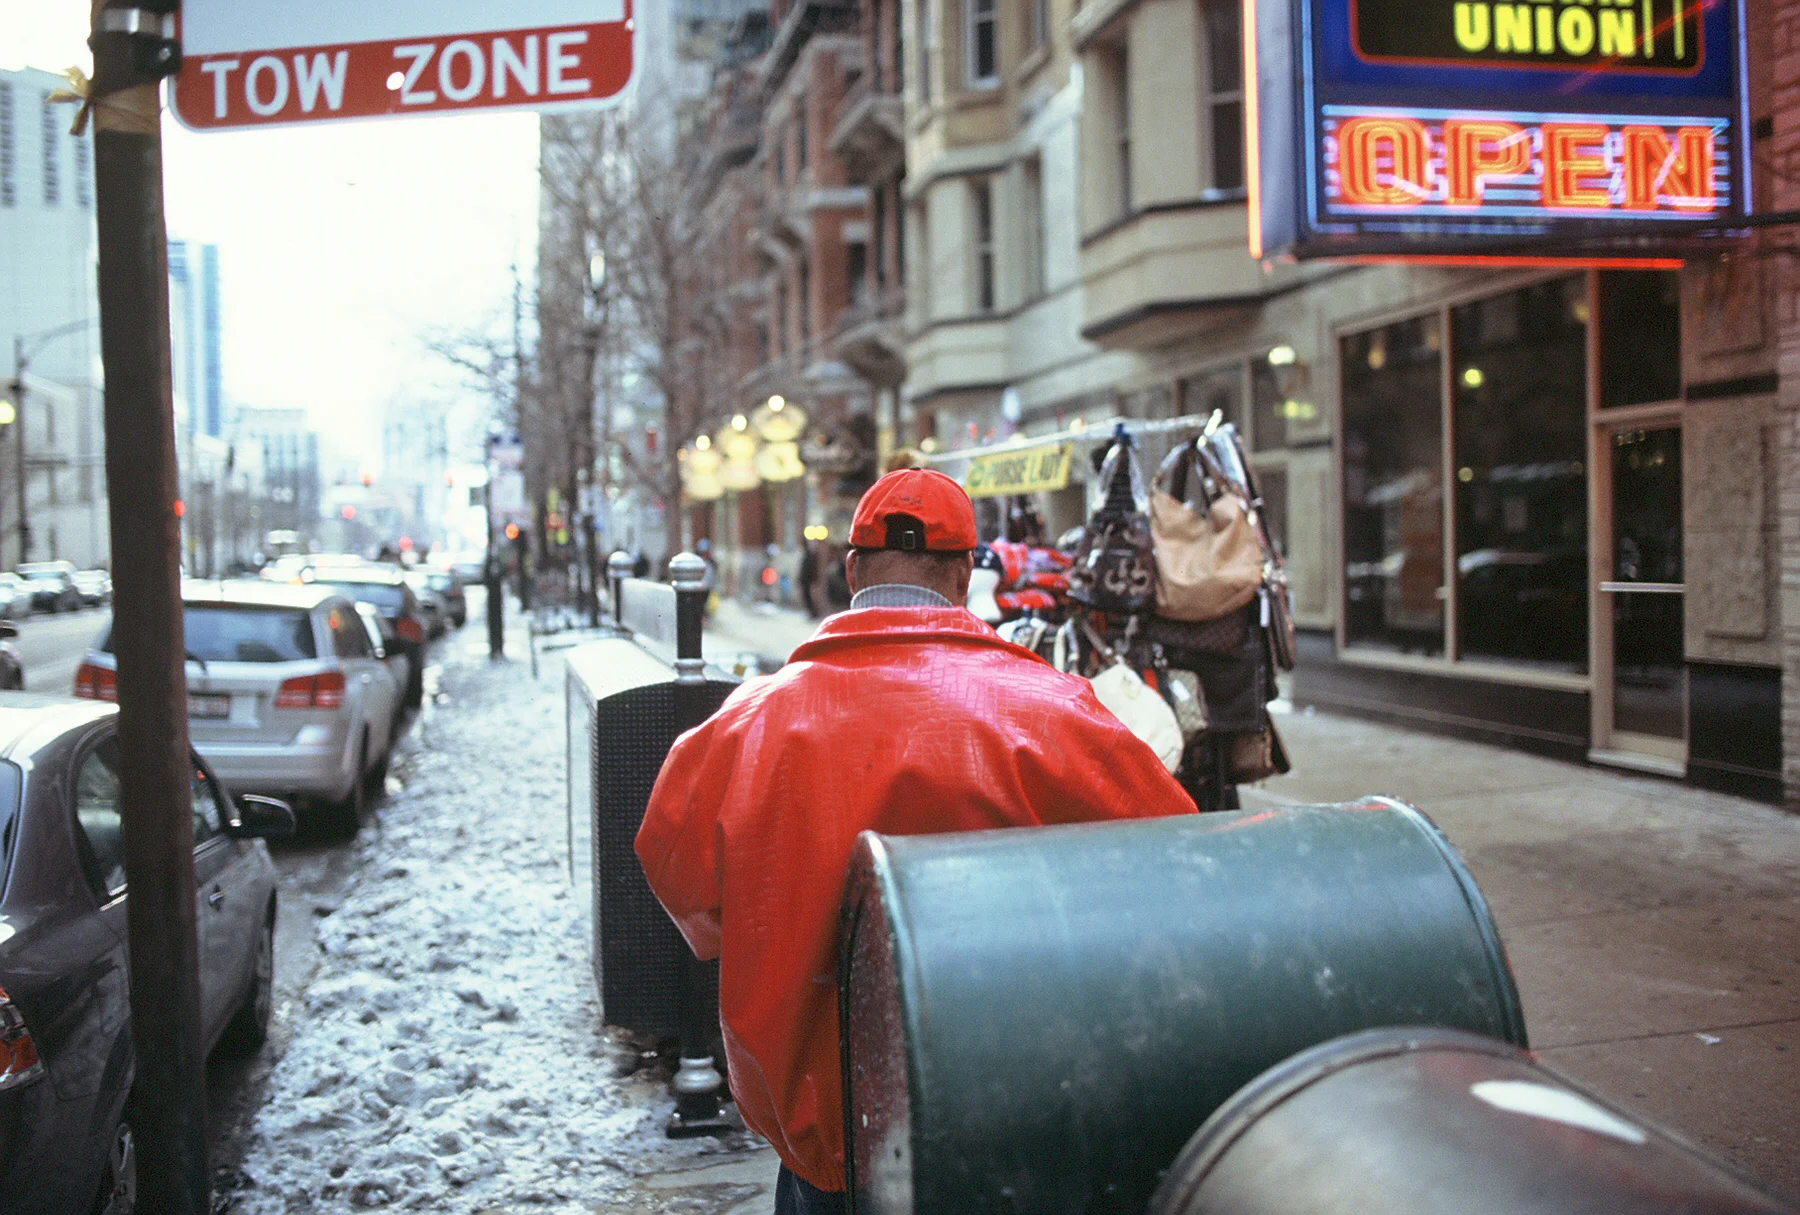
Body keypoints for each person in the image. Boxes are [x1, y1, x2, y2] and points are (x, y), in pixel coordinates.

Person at [636, 468, 1192, 1214]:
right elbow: (1179, 869)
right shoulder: (1057, 715)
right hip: (1007, 1133)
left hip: (824, 1146)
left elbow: (682, 881)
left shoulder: (742, 726)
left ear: (851, 567)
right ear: (965, 572)